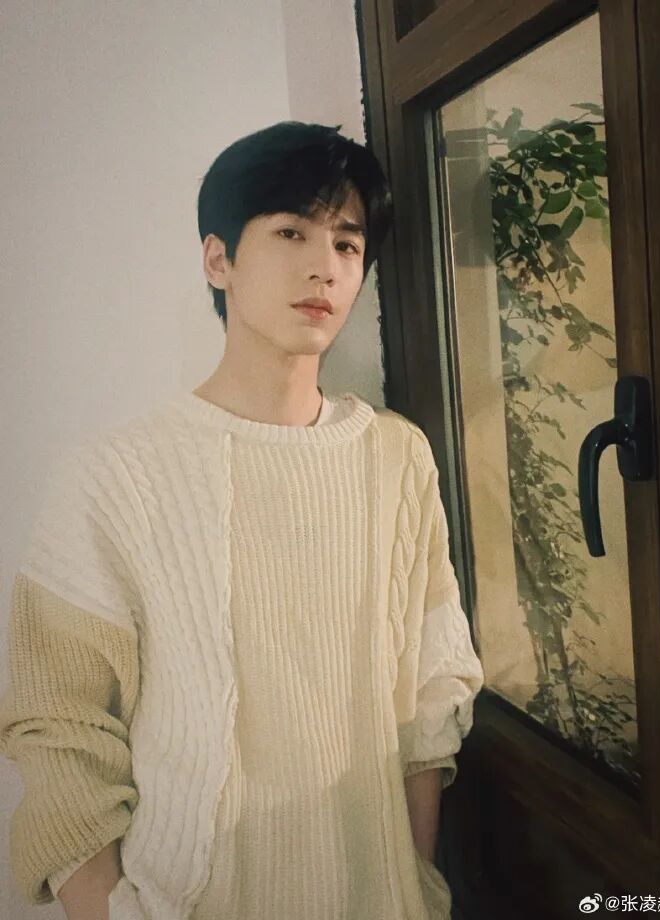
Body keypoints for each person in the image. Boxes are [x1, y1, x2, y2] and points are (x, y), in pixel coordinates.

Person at [0, 121, 484, 920]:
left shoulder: (397, 457)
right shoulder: (114, 477)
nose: (324, 266)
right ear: (218, 259)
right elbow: (59, 724)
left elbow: (432, 690)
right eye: (292, 232)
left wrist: (416, 881)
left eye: (347, 243)